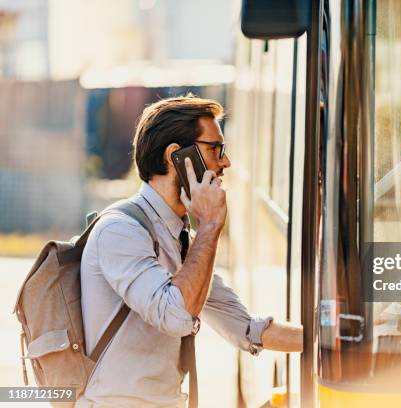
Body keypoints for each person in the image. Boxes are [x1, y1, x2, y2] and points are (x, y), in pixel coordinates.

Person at [77, 96, 302, 407]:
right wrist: (210, 225)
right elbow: (175, 316)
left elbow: (246, 328)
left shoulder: (180, 238)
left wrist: (330, 341)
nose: (226, 162)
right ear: (176, 156)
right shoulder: (120, 231)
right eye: (215, 149)